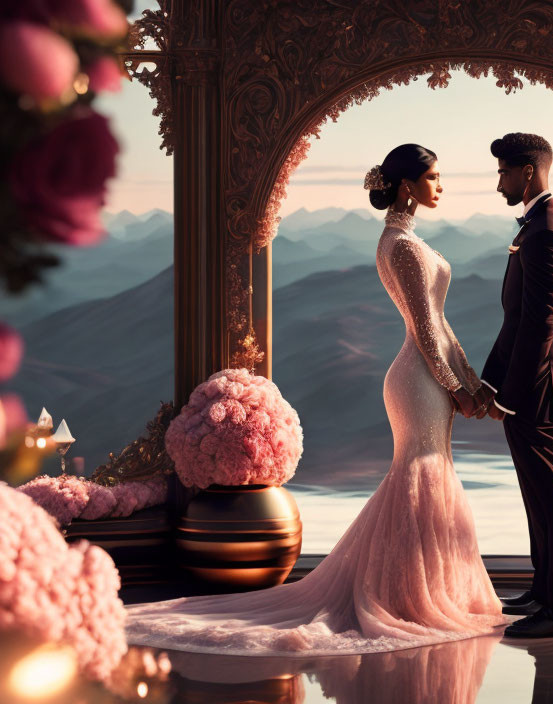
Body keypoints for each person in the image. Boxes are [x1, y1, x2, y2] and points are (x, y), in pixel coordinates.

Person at [124, 144, 505, 656]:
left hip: (426, 373)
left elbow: (440, 322)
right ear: (408, 186)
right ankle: (406, 596)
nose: (441, 187)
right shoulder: (404, 246)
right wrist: (456, 384)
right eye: (434, 177)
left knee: (426, 476)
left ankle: (415, 590)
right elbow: (423, 326)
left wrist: (470, 378)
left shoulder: (406, 241)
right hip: (417, 380)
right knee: (420, 476)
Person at [479, 133, 553, 638]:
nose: (498, 181)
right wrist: (489, 380)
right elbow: (515, 317)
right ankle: (543, 589)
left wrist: (510, 395)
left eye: (503, 172)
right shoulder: (541, 225)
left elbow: (538, 327)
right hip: (534, 383)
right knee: (537, 494)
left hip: (541, 387)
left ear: (527, 171)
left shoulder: (548, 232)